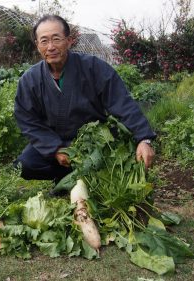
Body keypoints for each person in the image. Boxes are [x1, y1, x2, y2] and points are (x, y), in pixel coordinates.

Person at [14, 14, 156, 185]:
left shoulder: (94, 68)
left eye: (56, 39)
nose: (50, 47)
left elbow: (122, 103)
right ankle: (66, 177)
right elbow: (27, 120)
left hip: (93, 143)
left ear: (69, 40)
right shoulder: (30, 79)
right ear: (37, 46)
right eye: (44, 41)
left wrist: (144, 139)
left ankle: (83, 178)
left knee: (113, 160)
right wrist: (55, 149)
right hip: (55, 143)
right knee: (25, 165)